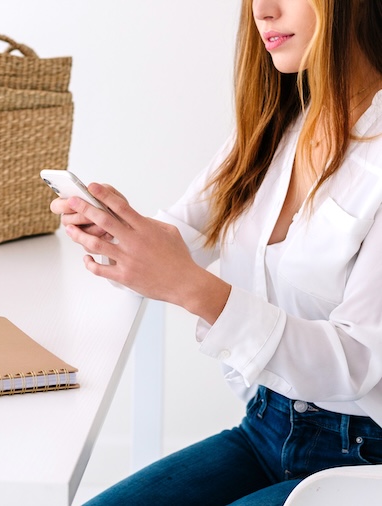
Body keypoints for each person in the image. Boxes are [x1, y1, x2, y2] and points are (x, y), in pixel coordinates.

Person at [51, 0, 382, 504]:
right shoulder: (278, 128)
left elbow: (357, 362)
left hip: (363, 462)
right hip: (267, 428)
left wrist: (189, 286)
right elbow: (184, 231)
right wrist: (115, 230)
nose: (262, 12)